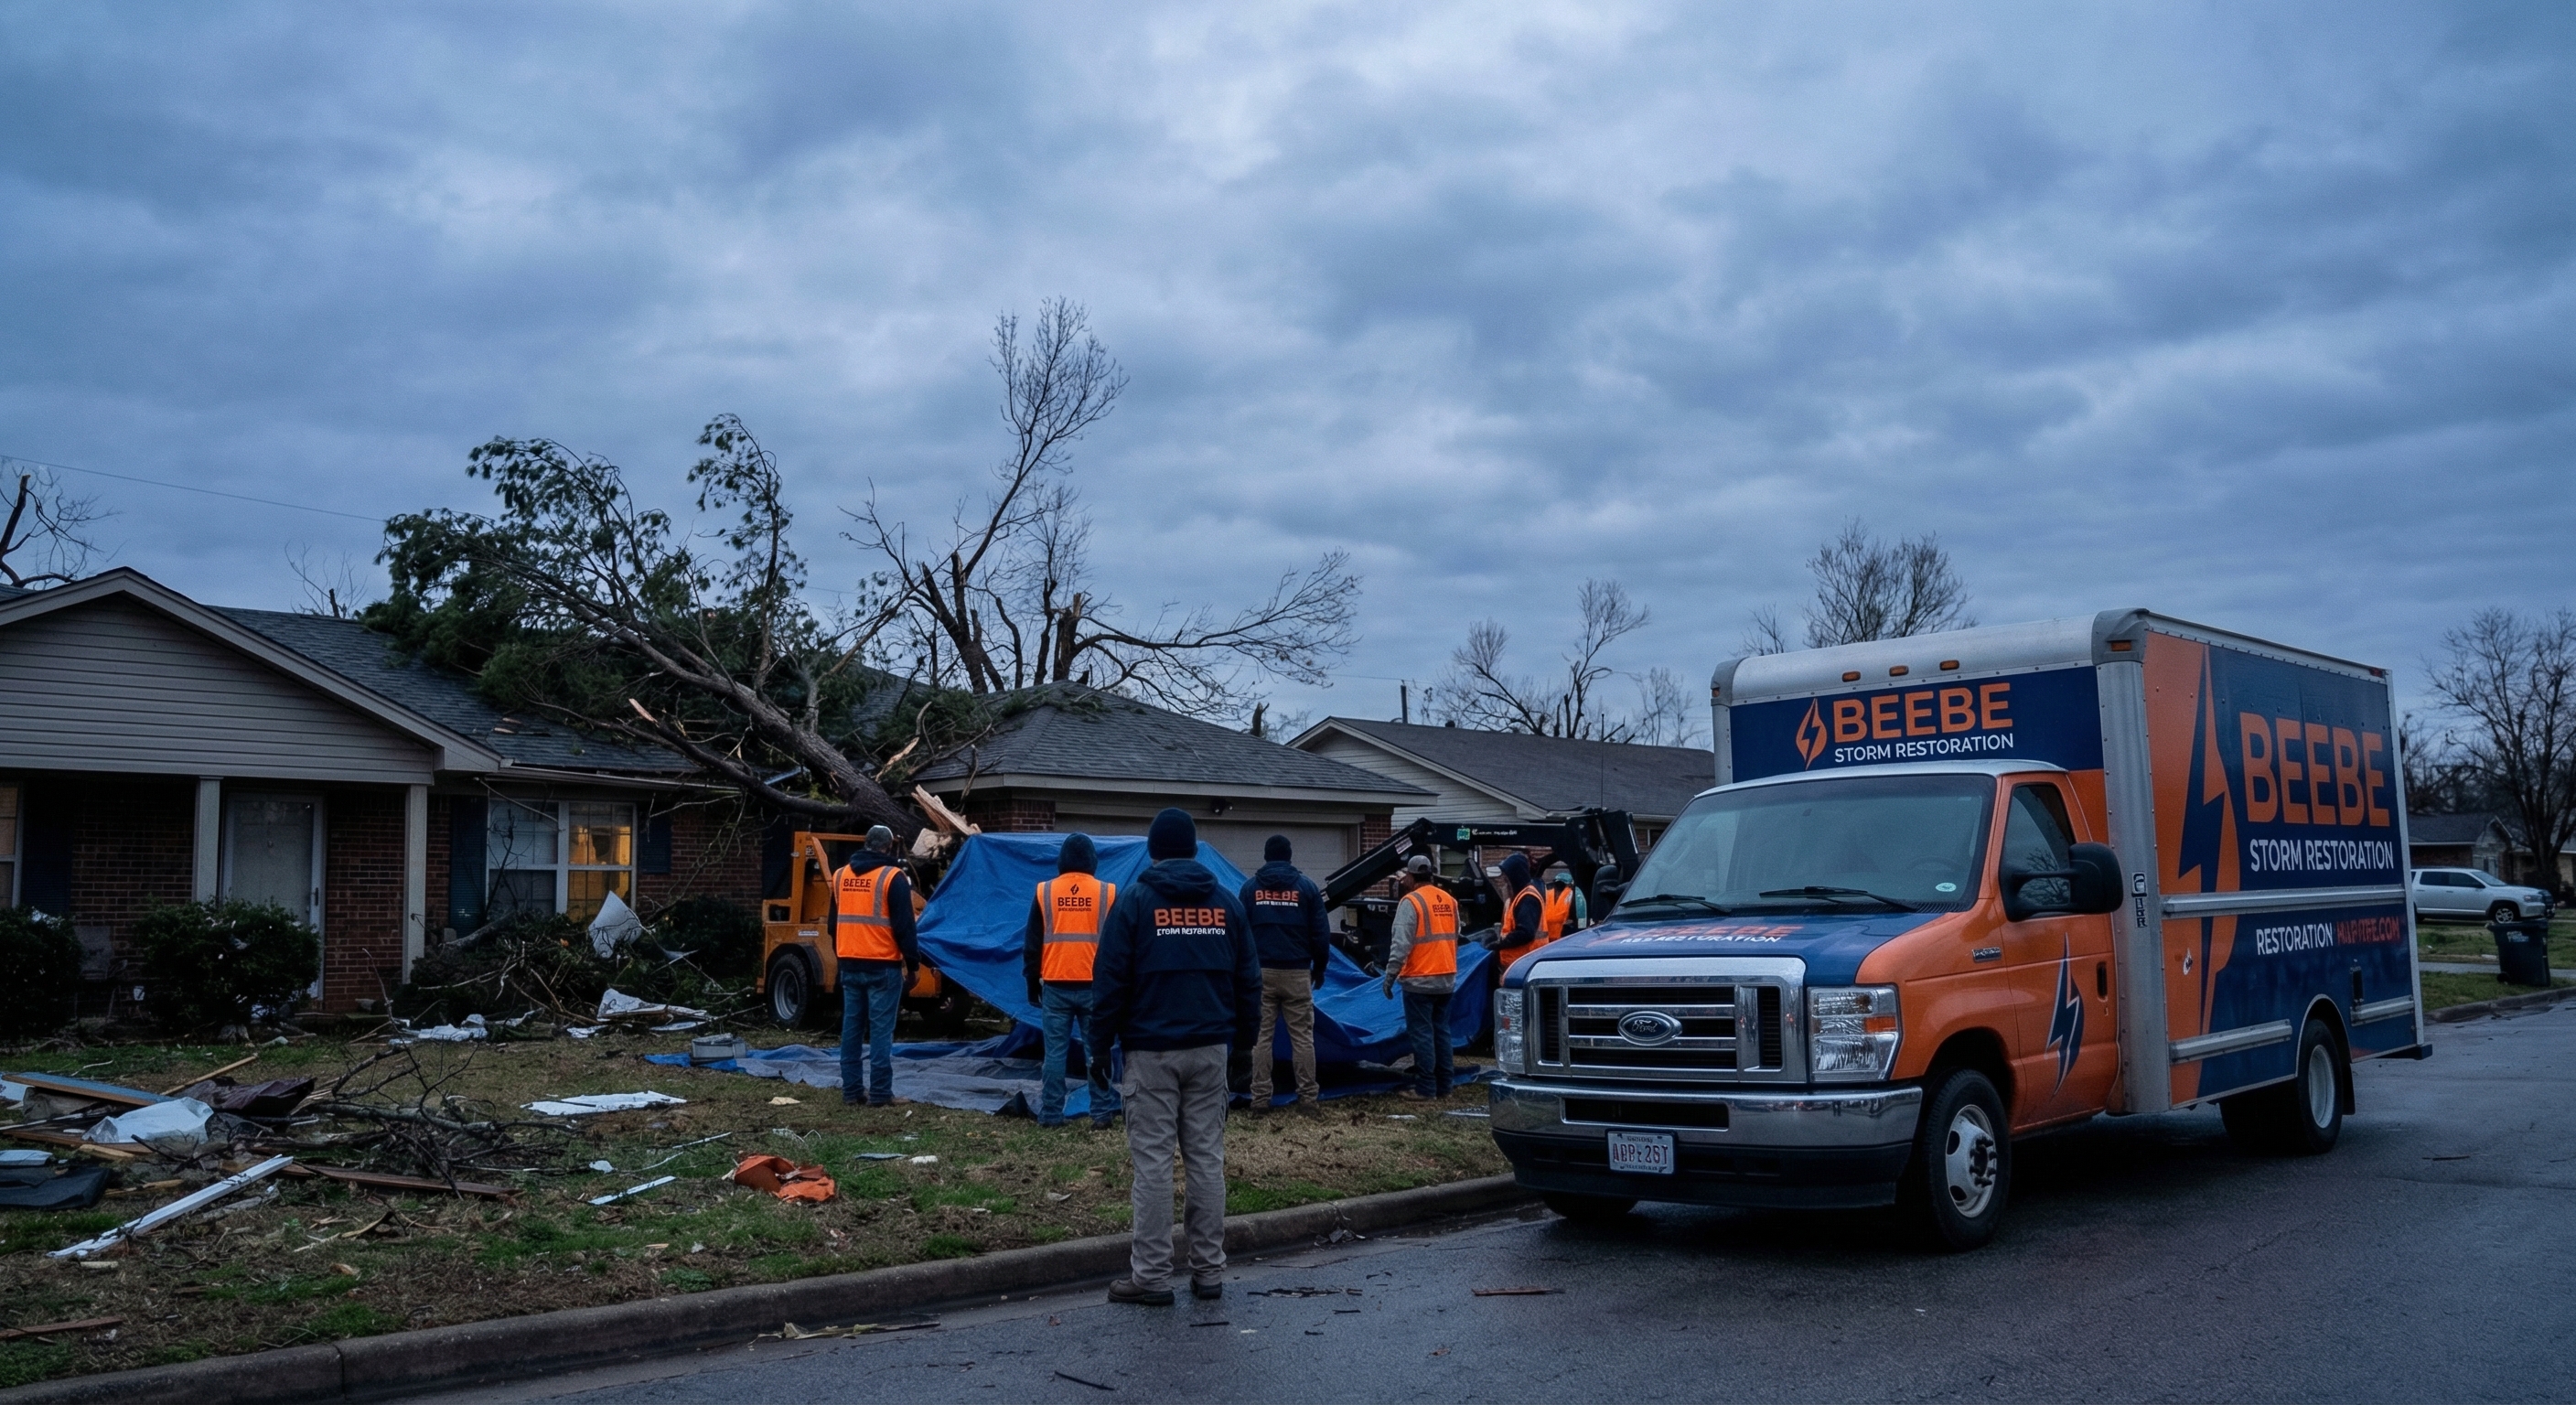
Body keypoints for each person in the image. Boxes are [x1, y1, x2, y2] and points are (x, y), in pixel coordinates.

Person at [1091, 808, 1261, 1306]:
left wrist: (1099, 1045)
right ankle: (1209, 1273)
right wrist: (1244, 1049)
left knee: (1153, 1166)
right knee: (1207, 1161)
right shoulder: (1226, 906)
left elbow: (1111, 982)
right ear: (1192, 849)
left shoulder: (1135, 904)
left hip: (1150, 1051)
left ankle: (1151, 1277)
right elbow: (1247, 983)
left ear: (1153, 850)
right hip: (1210, 1049)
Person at [1024, 832, 1122, 1130]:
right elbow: (1118, 945)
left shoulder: (1045, 891)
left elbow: (1032, 943)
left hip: (1055, 984)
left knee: (1054, 1054)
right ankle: (1101, 1114)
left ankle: (1051, 1115)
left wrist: (1031, 981)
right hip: (1095, 987)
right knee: (1097, 1051)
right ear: (1093, 860)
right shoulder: (1108, 893)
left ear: (1062, 860)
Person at [828, 825, 919, 1107]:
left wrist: (843, 956)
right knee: (881, 1032)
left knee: (851, 1030)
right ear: (889, 847)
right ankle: (880, 1094)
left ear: (865, 843)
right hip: (883, 966)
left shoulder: (840, 875)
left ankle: (851, 1091)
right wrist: (913, 964)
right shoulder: (893, 878)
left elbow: (834, 924)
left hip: (850, 965)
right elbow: (904, 926)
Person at [1240, 834, 1332, 1115]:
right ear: (1290, 856)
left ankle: (1259, 1100)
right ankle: (1307, 1099)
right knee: (1302, 1038)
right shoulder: (1306, 888)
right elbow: (1320, 933)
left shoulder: (1250, 889)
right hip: (1296, 972)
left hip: (1261, 974)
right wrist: (1320, 967)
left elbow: (1240, 934)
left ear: (1266, 856)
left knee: (1260, 1039)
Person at [1380, 854, 1459, 1100]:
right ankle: (1445, 1086)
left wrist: (1390, 975)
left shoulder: (1410, 902)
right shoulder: (1449, 900)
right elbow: (1456, 933)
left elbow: (1400, 944)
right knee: (1442, 1032)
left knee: (1423, 1034)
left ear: (1412, 876)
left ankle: (1426, 1088)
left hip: (1420, 979)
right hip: (1446, 977)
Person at [1540, 865, 1586, 944]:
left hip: (1554, 941)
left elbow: (1581, 919)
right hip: (1557, 941)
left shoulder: (1545, 891)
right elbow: (1581, 921)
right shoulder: (1575, 894)